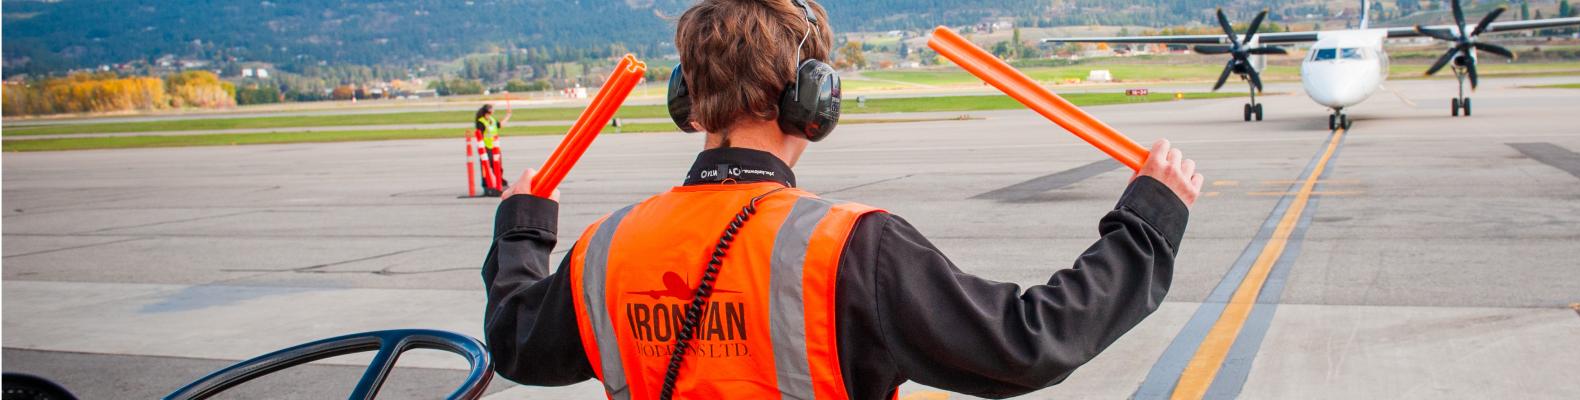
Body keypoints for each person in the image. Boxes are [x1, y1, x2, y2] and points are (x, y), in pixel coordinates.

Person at [480, 0, 1203, 398]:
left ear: (688, 102)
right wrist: (1146, 227)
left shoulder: (609, 249)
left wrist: (522, 230)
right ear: (812, 100)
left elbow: (516, 341)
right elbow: (1024, 344)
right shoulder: (851, 249)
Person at [477, 103, 511, 196]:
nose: (494, 110)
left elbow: (500, 125)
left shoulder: (492, 119)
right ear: (488, 110)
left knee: (498, 167)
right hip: (485, 148)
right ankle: (487, 186)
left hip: (495, 147)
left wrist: (508, 116)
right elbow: (479, 134)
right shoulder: (481, 121)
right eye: (492, 109)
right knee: (486, 167)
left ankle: (500, 183)